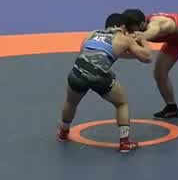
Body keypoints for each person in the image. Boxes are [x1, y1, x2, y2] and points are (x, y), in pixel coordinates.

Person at [58, 13, 155, 153]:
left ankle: (63, 132)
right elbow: (148, 57)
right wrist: (143, 39)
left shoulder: (91, 34)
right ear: (122, 26)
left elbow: (87, 53)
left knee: (71, 102)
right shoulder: (124, 39)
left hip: (77, 72)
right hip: (99, 76)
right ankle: (125, 143)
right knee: (121, 103)